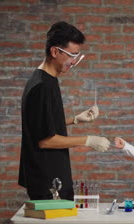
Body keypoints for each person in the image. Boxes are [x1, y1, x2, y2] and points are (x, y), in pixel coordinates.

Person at [18, 21, 110, 201]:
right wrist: (88, 140)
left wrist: (75, 120)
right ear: (54, 51)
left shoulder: (47, 79)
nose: (75, 62)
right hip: (49, 182)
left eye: (78, 56)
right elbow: (45, 140)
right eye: (72, 55)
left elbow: (41, 124)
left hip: (52, 177)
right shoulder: (42, 86)